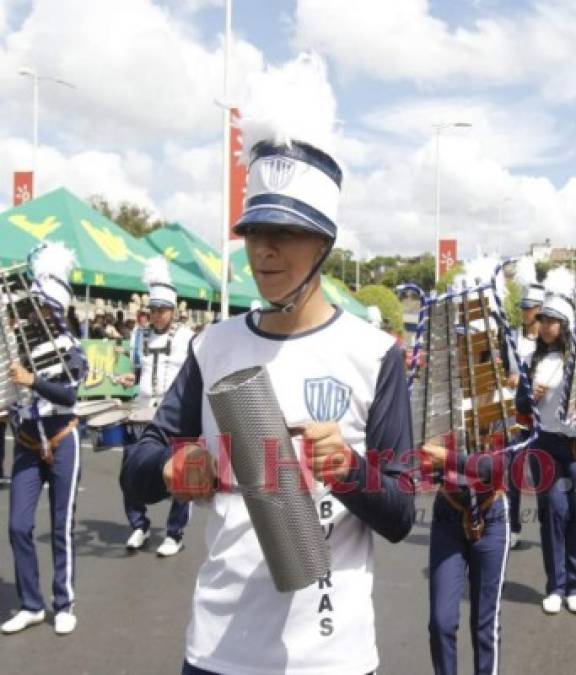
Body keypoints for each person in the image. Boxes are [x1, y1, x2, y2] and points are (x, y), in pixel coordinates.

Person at [120, 101, 414, 674]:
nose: (263, 250)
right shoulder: (212, 347)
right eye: (254, 232)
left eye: (284, 233)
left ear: (323, 243)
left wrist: (348, 469)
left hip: (331, 654)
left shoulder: (374, 354)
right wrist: (170, 470)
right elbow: (139, 463)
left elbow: (400, 513)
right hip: (218, 650)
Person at [420, 256, 514, 675]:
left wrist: (447, 457)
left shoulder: (502, 401)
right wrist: (425, 463)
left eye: (472, 343)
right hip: (449, 512)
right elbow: (421, 462)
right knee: (441, 621)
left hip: (491, 514)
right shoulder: (437, 398)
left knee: (483, 624)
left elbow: (496, 469)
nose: (464, 351)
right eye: (457, 341)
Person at [2, 242, 86, 636]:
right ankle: (31, 603)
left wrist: (33, 379)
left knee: (59, 526)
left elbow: (70, 393)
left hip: (63, 438)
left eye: (42, 309)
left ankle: (63, 601)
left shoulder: (70, 344)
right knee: (18, 526)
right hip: (26, 442)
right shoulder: (13, 345)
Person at [515, 268, 576, 616]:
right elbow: (520, 406)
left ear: (566, 324)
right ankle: (554, 586)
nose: (546, 325)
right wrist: (530, 398)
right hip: (546, 445)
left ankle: (575, 585)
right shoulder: (532, 360)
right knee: (554, 512)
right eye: (543, 319)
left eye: (553, 320)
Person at [115, 258, 196, 557]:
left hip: (174, 417)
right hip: (140, 411)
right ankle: (139, 524)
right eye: (153, 310)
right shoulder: (140, 337)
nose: (157, 316)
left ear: (173, 311)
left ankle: (175, 532)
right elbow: (140, 371)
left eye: (162, 310)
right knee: (129, 470)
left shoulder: (188, 338)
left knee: (179, 473)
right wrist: (130, 379)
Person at [504, 256, 544, 550]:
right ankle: (513, 524)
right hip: (517, 411)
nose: (525, 312)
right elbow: (506, 369)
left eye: (529, 308)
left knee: (544, 472)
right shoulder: (512, 337)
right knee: (513, 470)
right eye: (524, 308)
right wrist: (510, 377)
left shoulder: (551, 342)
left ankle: (549, 523)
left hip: (543, 412)